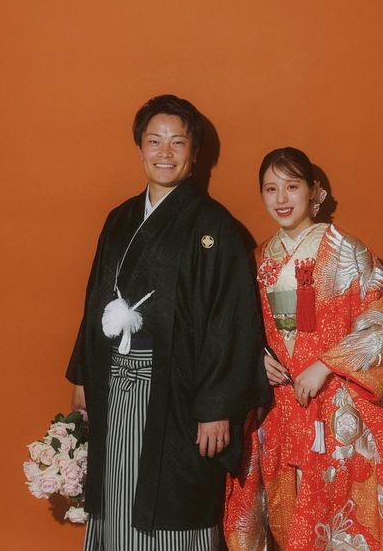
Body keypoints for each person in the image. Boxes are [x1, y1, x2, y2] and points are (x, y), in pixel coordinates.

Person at [66, 94, 270, 550]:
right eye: (154, 141)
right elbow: (96, 297)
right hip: (115, 383)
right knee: (116, 493)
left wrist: (216, 406)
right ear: (139, 147)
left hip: (179, 395)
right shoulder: (120, 219)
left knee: (174, 500)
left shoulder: (215, 227)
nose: (165, 152)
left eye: (178, 142)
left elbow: (230, 320)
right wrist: (82, 373)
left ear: (195, 153)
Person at [224, 148, 383, 550]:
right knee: (285, 513)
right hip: (279, 406)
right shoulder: (257, 260)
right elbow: (238, 329)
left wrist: (326, 364)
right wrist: (257, 359)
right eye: (271, 189)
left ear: (314, 191)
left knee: (337, 518)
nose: (281, 199)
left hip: (336, 405)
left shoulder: (348, 251)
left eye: (292, 187)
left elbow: (381, 319)